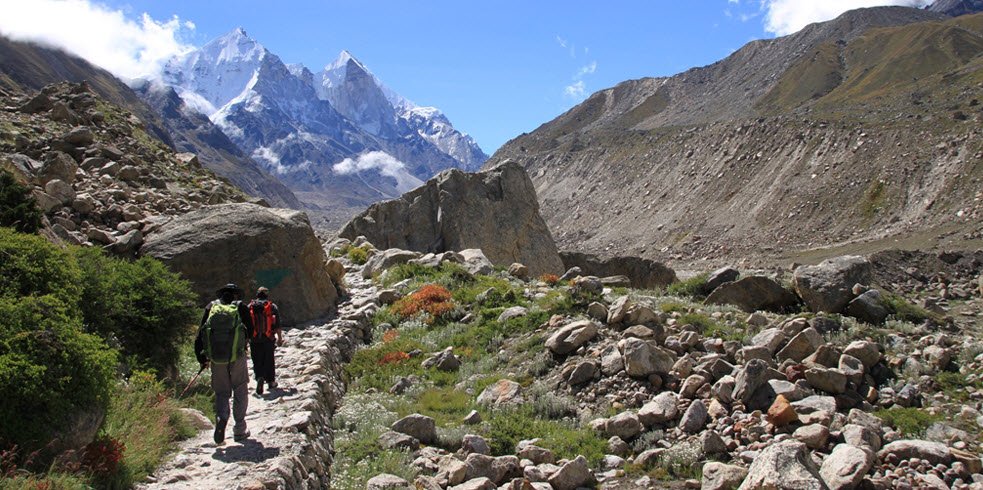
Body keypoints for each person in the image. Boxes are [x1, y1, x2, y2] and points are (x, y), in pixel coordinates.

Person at [195, 283, 253, 444]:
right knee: (240, 388)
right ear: (235, 295)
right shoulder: (240, 307)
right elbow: (251, 330)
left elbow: (201, 334)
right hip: (237, 356)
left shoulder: (211, 307)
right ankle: (240, 429)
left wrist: (203, 359)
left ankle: (221, 419)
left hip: (216, 358)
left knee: (221, 392)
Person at [247, 286, 284, 395]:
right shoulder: (272, 306)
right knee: (269, 359)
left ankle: (259, 377)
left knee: (256, 359)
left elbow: (246, 325)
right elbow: (277, 324)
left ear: (257, 295)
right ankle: (271, 381)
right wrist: (280, 338)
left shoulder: (250, 306)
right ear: (267, 295)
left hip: (254, 339)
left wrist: (245, 341)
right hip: (268, 338)